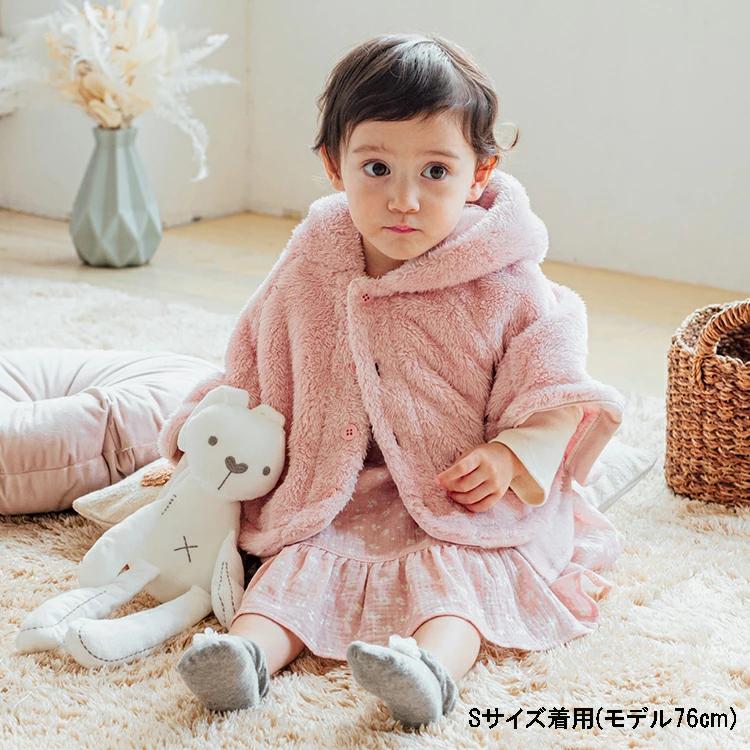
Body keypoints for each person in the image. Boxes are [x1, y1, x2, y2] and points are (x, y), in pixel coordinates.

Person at [163, 33, 626, 729]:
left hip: (456, 489)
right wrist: (209, 436)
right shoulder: (312, 263)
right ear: (334, 165)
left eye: (436, 171)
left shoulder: (504, 277)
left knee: (456, 579)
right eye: (376, 168)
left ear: (479, 174)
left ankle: (429, 670)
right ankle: (246, 654)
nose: (403, 199)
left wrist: (508, 456)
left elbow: (553, 380)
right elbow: (258, 356)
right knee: (297, 564)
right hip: (336, 481)